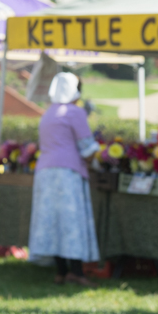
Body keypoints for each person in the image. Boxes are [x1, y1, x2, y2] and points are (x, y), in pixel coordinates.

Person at [28, 72, 100, 287]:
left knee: (54, 223)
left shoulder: (48, 113)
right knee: (71, 223)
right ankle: (77, 271)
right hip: (67, 173)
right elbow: (87, 149)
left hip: (45, 173)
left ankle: (61, 271)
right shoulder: (75, 112)